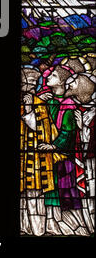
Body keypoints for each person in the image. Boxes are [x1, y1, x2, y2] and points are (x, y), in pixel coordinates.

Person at [40, 65, 89, 235]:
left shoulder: (68, 104)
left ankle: (70, 225)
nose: (47, 77)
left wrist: (54, 146)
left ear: (61, 81)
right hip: (50, 154)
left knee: (66, 188)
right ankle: (53, 222)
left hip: (64, 156)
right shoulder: (51, 100)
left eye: (53, 75)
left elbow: (68, 131)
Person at [20, 66, 62, 236]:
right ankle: (23, 227)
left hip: (33, 158)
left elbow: (45, 132)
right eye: (29, 82)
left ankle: (36, 230)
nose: (32, 86)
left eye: (34, 83)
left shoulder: (39, 104)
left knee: (34, 194)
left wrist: (29, 109)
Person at [66, 72, 95, 234]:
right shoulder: (81, 109)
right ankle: (90, 225)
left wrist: (82, 126)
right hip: (88, 161)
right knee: (89, 191)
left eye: (75, 82)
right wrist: (81, 126)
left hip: (92, 161)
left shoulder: (92, 111)